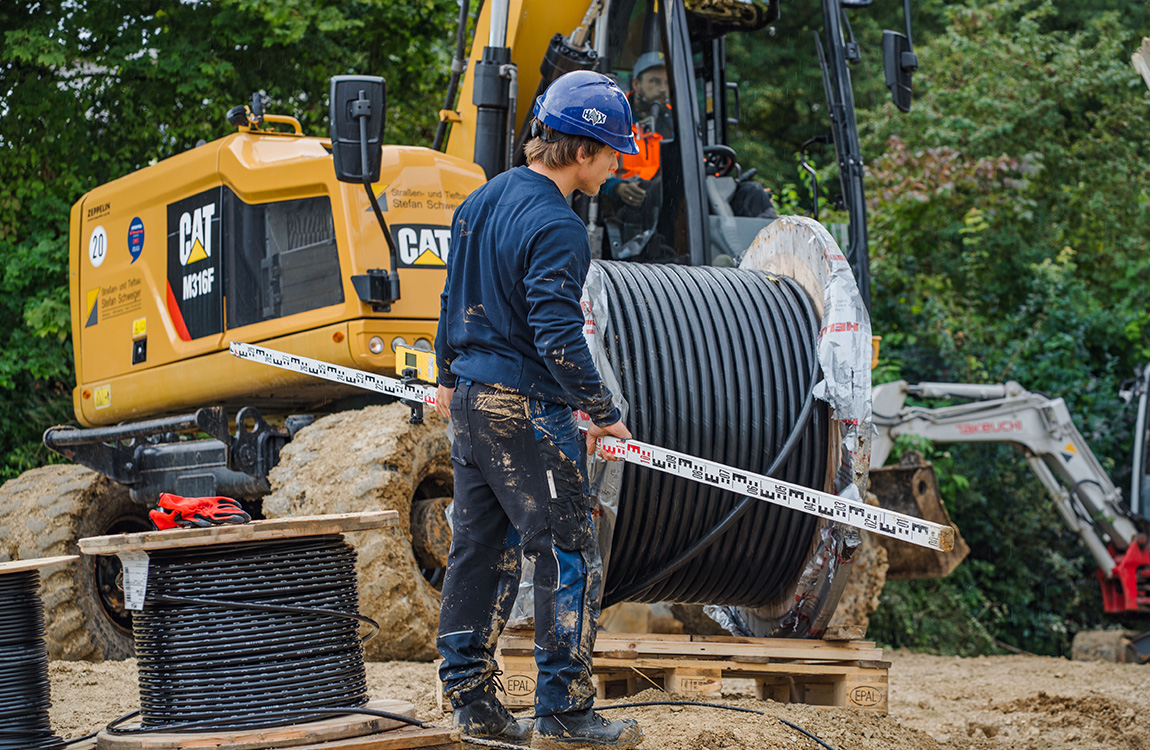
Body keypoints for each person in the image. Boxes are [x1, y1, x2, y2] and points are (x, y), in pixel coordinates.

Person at [433, 70, 643, 749]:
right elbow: (557, 335)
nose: (615, 168)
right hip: (523, 408)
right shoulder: (558, 226)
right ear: (581, 150)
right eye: (612, 153)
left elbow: (451, 303)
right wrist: (604, 410)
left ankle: (472, 704)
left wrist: (444, 380)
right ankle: (566, 712)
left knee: (479, 549)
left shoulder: (479, 202)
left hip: (468, 403)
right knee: (568, 550)